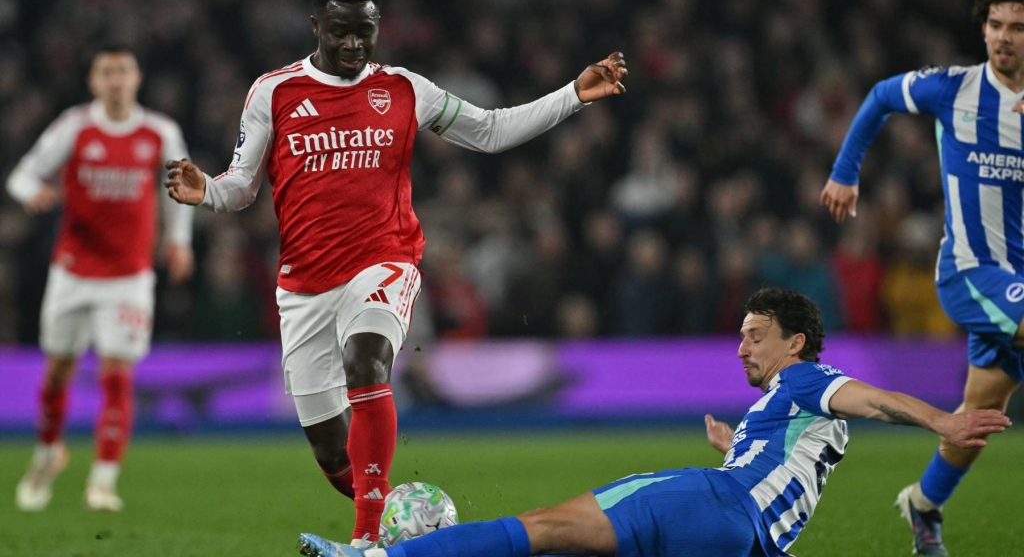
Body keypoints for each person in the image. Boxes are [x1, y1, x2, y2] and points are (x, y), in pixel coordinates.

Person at [163, 0, 627, 547]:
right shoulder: (274, 92)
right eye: (341, 32)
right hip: (305, 288)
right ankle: (415, 530)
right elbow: (241, 187)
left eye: (366, 30)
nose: (355, 44)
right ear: (315, 24)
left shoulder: (406, 89)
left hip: (384, 262)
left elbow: (491, 130)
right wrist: (205, 190)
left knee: (367, 363)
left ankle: (365, 545)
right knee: (337, 460)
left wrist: (572, 95)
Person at [294, 287, 1010, 557]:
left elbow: (870, 398)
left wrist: (941, 421)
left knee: (542, 530)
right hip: (750, 541)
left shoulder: (805, 376)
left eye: (755, 333)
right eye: (739, 334)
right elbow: (797, 455)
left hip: (710, 503)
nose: (742, 347)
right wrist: (743, 444)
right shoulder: (790, 410)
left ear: (794, 342)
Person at [820, 0, 1024, 553]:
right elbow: (881, 95)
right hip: (970, 270)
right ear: (983, 29)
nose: (1005, 37)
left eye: (1018, 27)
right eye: (997, 26)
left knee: (980, 414)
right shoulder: (953, 88)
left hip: (1018, 280)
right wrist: (845, 170)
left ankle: (924, 504)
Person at [6, 43, 195, 512]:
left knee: (117, 376)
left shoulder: (160, 131)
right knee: (58, 374)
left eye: (123, 70)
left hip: (129, 276)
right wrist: (33, 193)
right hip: (71, 271)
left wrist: (180, 241)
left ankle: (104, 480)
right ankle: (49, 453)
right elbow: (22, 175)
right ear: (93, 81)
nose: (115, 79)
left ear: (136, 79)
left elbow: (181, 189)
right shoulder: (75, 125)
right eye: (106, 72)